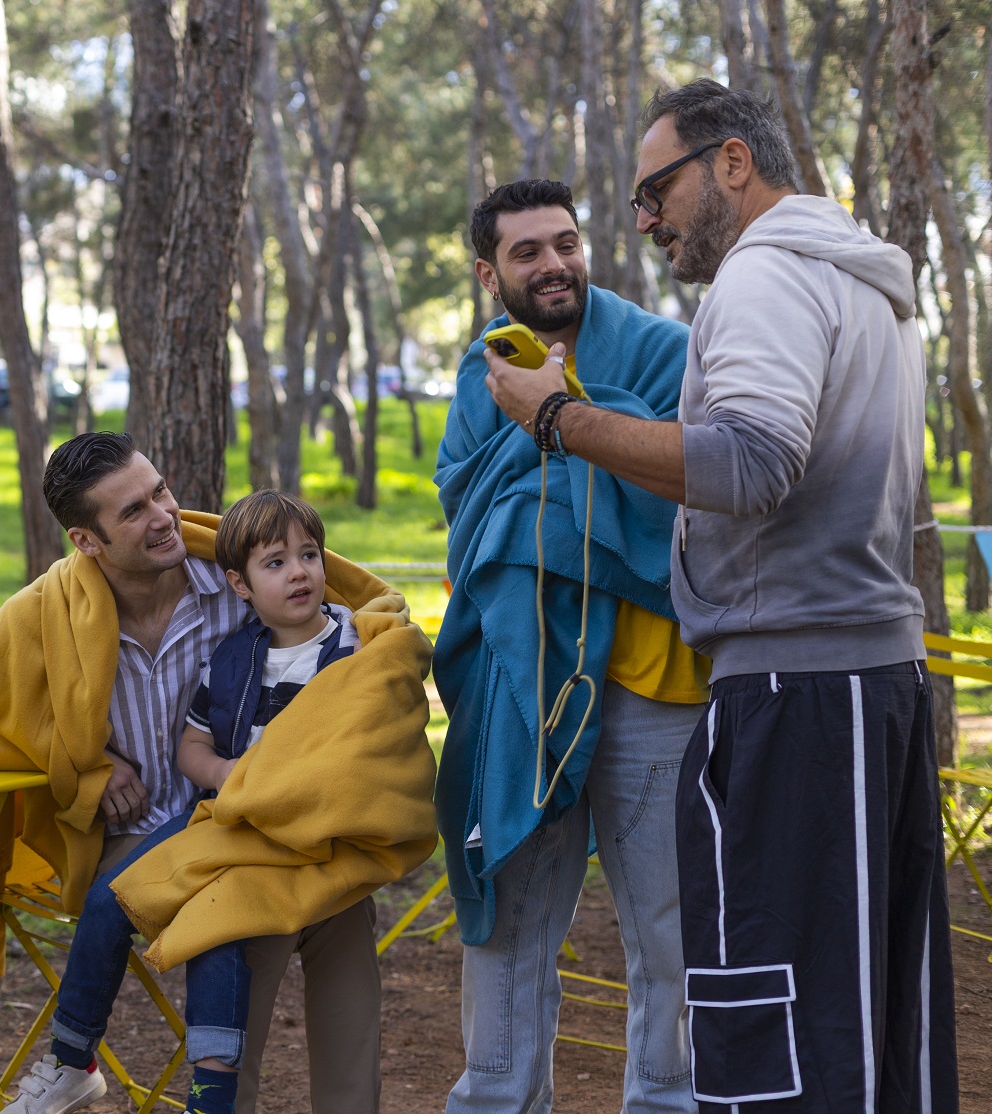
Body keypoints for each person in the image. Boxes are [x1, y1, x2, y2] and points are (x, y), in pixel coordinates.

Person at [482, 80, 958, 1110]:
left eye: (655, 191)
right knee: (866, 1013)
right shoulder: (851, 275)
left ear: (731, 163)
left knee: (785, 1022)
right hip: (861, 682)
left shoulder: (765, 276)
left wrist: (560, 417)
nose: (644, 220)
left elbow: (748, 463)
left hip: (801, 690)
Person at [0, 432, 384, 1114]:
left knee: (342, 905)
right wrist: (86, 767)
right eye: (133, 511)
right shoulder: (52, 610)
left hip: (264, 813)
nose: (164, 516)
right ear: (87, 540)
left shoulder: (238, 576)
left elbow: (363, 624)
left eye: (160, 491)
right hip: (145, 836)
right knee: (238, 912)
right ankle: (215, 1100)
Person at [434, 178, 702, 1113]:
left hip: (652, 684)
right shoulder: (483, 372)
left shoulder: (667, 352)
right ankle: (496, 1097)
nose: (554, 264)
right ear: (489, 274)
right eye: (528, 252)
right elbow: (472, 505)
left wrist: (564, 435)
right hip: (526, 677)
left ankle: (668, 1099)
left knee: (668, 926)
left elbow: (691, 489)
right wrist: (568, 463)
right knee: (510, 916)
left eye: (566, 243)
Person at [168, 489, 363, 1114]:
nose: (298, 572)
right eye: (274, 563)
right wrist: (227, 774)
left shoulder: (357, 646)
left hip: (337, 861)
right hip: (255, 863)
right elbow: (191, 746)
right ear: (240, 584)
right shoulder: (230, 661)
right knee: (243, 1014)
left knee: (350, 1017)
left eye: (308, 555)